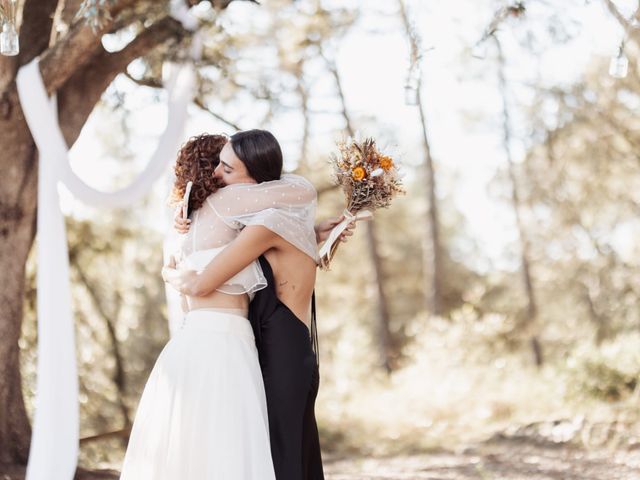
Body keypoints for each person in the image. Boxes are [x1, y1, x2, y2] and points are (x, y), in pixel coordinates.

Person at [120, 132, 335, 480]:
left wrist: (314, 231)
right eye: (218, 165)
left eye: (228, 167)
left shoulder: (196, 221)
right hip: (228, 341)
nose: (220, 174)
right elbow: (301, 192)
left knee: (198, 444)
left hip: (192, 341)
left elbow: (268, 241)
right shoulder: (230, 201)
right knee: (237, 444)